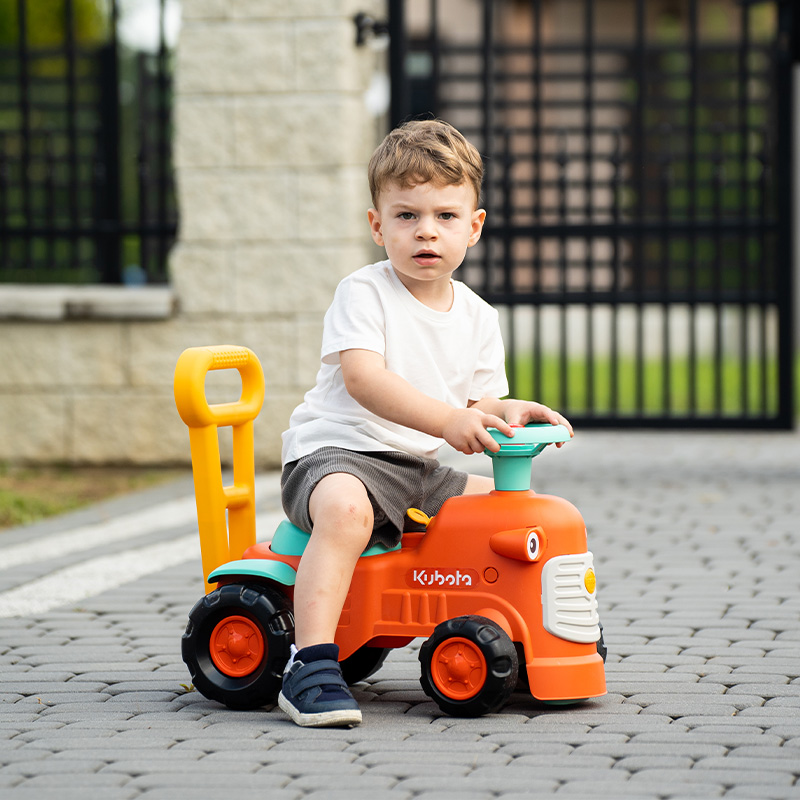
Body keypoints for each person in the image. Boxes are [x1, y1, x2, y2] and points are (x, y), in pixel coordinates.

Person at [278, 119, 573, 727]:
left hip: (417, 470)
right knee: (346, 512)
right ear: (376, 225)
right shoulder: (364, 294)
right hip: (339, 456)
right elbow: (366, 379)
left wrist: (510, 411)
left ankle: (527, 638)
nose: (426, 232)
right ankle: (307, 664)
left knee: (512, 511)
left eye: (444, 215)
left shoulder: (478, 315)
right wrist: (447, 420)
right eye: (407, 216)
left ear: (475, 226)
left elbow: (482, 402)